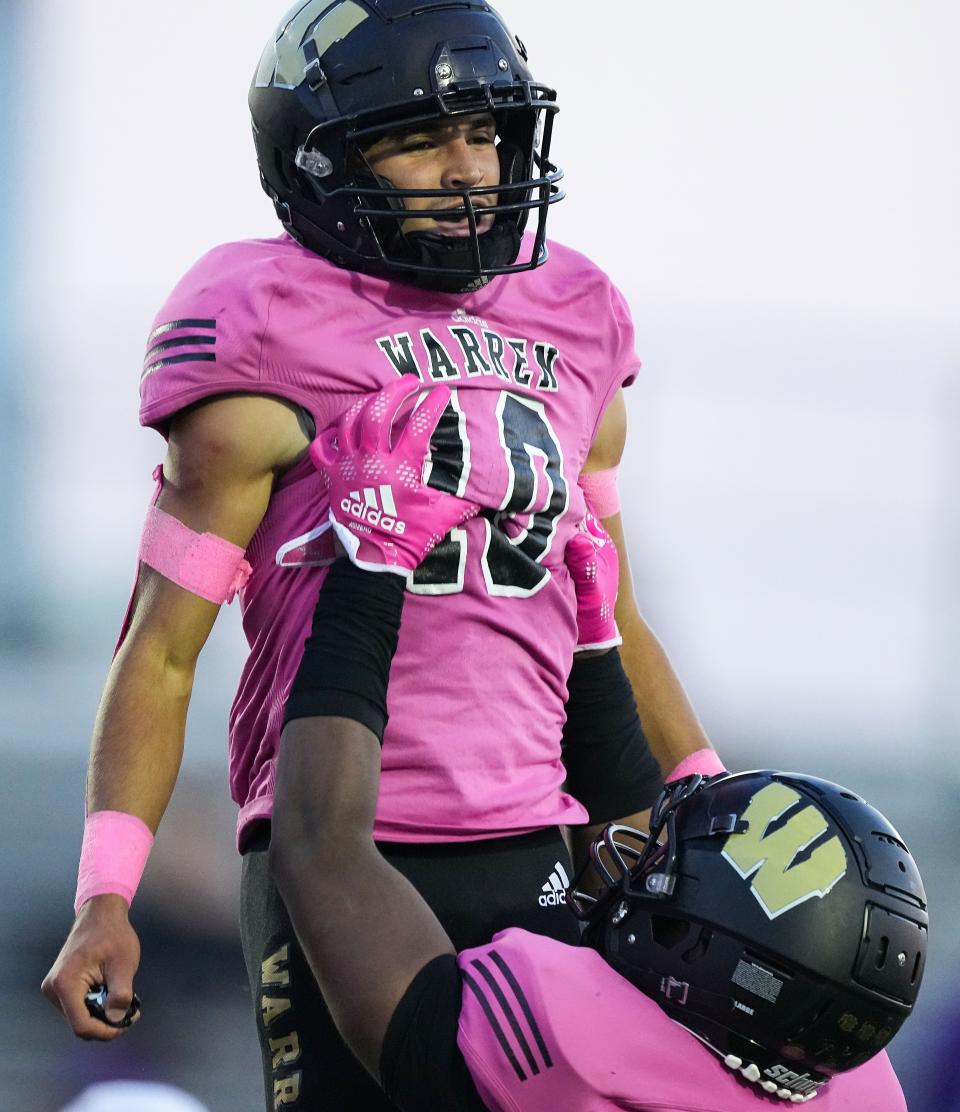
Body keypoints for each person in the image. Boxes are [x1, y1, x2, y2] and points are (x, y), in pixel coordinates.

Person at [43, 2, 714, 1106]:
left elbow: (617, 615)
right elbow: (162, 650)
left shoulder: (577, 313)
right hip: (334, 843)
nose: (471, 168)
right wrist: (105, 889)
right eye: (423, 135)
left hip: (535, 835)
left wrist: (706, 789)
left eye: (488, 131)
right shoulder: (256, 321)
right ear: (322, 158)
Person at [269, 382, 928, 1110]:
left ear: (704, 965)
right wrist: (597, 655)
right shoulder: (835, 1071)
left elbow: (319, 845)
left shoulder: (559, 1057)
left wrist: (373, 567)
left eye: (662, 873)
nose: (639, 848)